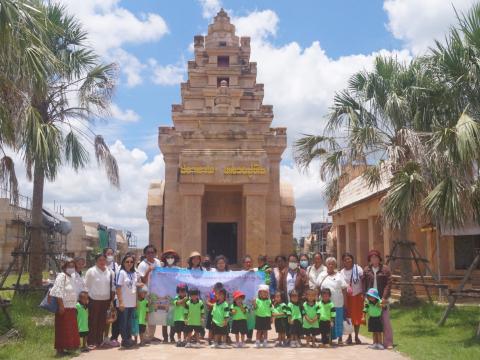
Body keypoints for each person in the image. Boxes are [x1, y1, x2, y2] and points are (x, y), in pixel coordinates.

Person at [50, 258, 81, 356]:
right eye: (69, 266)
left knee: (70, 329)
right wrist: (61, 306)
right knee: (62, 329)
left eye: (73, 267)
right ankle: (60, 350)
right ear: (64, 267)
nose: (71, 268)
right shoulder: (61, 276)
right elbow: (57, 292)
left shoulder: (72, 277)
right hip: (64, 307)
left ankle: (68, 347)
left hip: (72, 307)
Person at [364, 249, 393, 349]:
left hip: (382, 298)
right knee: (374, 320)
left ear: (379, 258)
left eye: (376, 257)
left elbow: (389, 284)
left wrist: (384, 297)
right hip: (371, 299)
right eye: (372, 258)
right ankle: (375, 342)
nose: (374, 259)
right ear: (369, 259)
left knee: (385, 321)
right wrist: (365, 297)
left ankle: (388, 342)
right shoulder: (367, 270)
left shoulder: (385, 269)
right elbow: (364, 284)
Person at [85, 253, 114, 348]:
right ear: (96, 261)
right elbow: (86, 286)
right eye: (100, 260)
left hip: (105, 300)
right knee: (93, 321)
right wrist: (87, 299)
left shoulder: (110, 272)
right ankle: (91, 341)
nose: (102, 262)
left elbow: (112, 286)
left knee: (102, 321)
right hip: (94, 300)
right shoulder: (91, 271)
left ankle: (99, 340)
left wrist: (111, 300)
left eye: (103, 260)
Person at [317, 257, 347, 345]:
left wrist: (345, 302)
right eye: (329, 264)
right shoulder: (322, 275)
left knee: (338, 321)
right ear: (326, 265)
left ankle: (340, 338)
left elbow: (344, 289)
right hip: (325, 305)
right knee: (327, 322)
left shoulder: (339, 275)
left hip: (337, 303)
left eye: (332, 264)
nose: (330, 265)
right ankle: (329, 338)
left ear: (335, 265)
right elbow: (318, 288)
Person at [137, 245, 163, 343]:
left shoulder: (157, 262)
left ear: (155, 253)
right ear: (145, 254)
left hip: (155, 292)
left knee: (153, 315)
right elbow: (142, 280)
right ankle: (145, 336)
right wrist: (149, 270)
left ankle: (151, 336)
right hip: (145, 293)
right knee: (144, 315)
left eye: (152, 252)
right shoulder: (142, 265)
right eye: (148, 252)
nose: (151, 254)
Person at [116, 254, 141, 348]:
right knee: (123, 322)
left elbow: (134, 287)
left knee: (130, 322)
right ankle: (124, 340)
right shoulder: (121, 273)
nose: (129, 263)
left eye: (131, 262)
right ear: (123, 263)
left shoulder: (134, 273)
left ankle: (129, 338)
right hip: (124, 302)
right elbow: (118, 288)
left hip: (132, 302)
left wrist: (136, 302)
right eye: (127, 262)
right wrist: (121, 302)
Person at [340, 252, 364, 345]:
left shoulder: (358, 269)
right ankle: (349, 337)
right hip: (347, 297)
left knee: (357, 316)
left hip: (357, 296)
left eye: (349, 259)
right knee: (348, 317)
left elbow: (363, 281)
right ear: (343, 261)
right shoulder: (341, 272)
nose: (347, 261)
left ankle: (357, 337)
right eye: (345, 259)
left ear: (352, 259)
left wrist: (364, 293)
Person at [162, 249, 180, 343]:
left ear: (175, 258)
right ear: (165, 259)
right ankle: (165, 338)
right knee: (164, 319)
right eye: (168, 257)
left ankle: (172, 336)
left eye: (172, 257)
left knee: (173, 318)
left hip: (175, 296)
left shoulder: (179, 270)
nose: (170, 259)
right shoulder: (161, 270)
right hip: (164, 296)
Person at [104, 248, 121, 347]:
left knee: (113, 318)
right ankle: (100, 338)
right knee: (102, 318)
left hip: (112, 296)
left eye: (111, 253)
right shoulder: (101, 264)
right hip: (101, 296)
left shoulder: (115, 266)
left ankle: (113, 337)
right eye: (108, 253)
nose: (110, 255)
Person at [253, 284, 272, 348]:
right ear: (259, 293)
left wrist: (272, 317)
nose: (264, 294)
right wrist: (254, 303)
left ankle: (265, 342)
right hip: (259, 317)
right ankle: (257, 342)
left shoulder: (269, 301)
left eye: (265, 292)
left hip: (267, 317)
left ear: (267, 294)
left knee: (265, 331)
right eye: (262, 292)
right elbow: (255, 308)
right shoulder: (257, 300)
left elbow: (271, 309)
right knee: (259, 331)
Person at [241, 255, 255, 342]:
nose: (248, 263)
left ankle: (249, 337)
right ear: (243, 264)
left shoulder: (254, 273)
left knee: (251, 318)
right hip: (243, 299)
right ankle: (242, 336)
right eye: (247, 262)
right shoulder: (240, 273)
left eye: (250, 262)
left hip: (252, 298)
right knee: (243, 318)